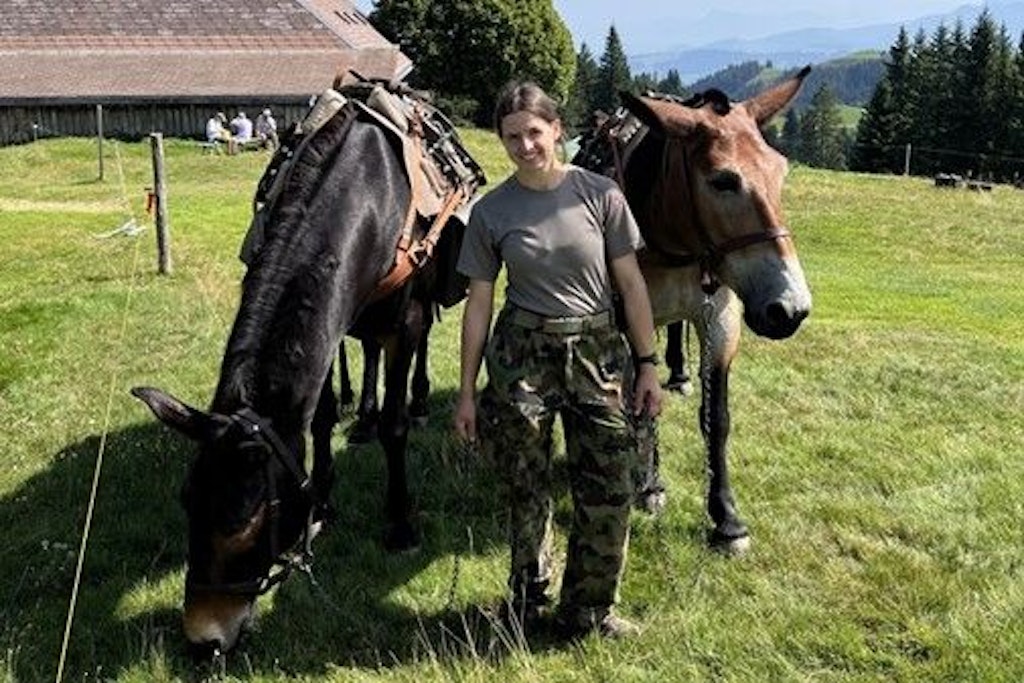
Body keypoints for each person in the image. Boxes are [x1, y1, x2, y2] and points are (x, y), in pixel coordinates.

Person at [453, 80, 662, 640]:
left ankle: (589, 611)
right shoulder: (490, 212)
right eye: (512, 137)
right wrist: (467, 392)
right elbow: (478, 306)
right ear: (501, 140)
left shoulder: (600, 195)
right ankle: (527, 599)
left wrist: (648, 364)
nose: (525, 146)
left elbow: (632, 286)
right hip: (522, 356)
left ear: (557, 130)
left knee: (609, 484)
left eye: (534, 133)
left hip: (599, 353)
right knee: (526, 484)